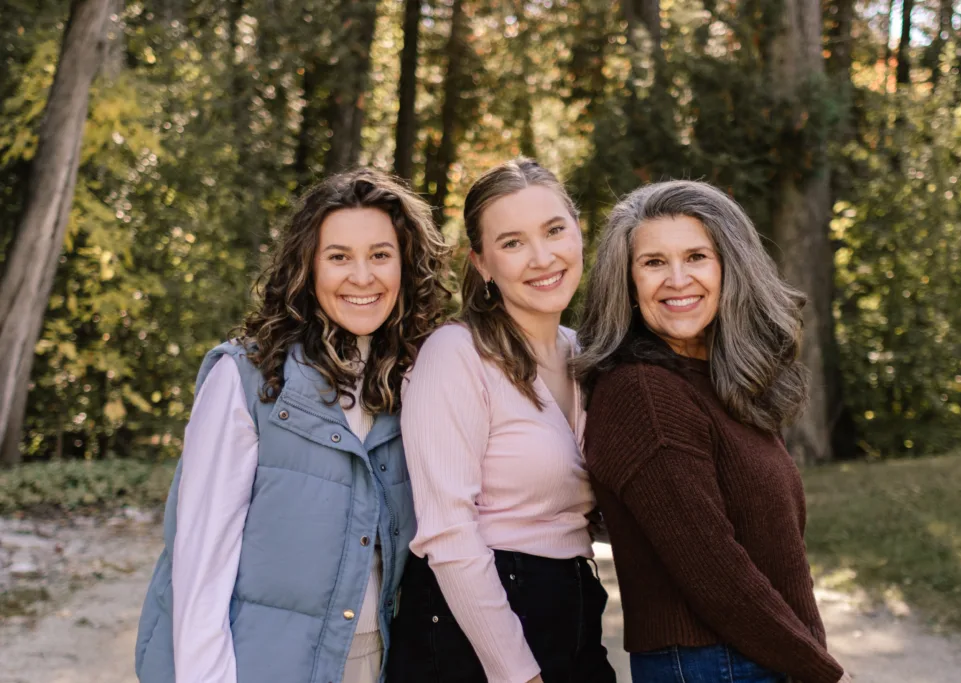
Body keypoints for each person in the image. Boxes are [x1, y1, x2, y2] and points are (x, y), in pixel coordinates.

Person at [134, 168, 451, 683]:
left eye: (380, 255)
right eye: (339, 256)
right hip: (255, 665)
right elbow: (198, 564)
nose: (363, 276)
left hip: (374, 662)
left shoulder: (411, 386)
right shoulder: (244, 377)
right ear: (308, 265)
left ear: (405, 264)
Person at [574, 180, 850, 683]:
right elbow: (715, 573)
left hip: (759, 658)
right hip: (712, 665)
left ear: (728, 267)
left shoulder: (721, 384)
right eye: (653, 262)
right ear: (628, 283)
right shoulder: (644, 394)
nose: (678, 279)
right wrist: (824, 673)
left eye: (696, 256)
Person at [387, 158, 617, 683]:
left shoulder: (585, 357)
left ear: (579, 232)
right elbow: (448, 531)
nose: (542, 257)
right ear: (483, 263)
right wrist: (517, 673)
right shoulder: (456, 354)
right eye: (512, 243)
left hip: (574, 604)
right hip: (473, 630)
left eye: (555, 230)